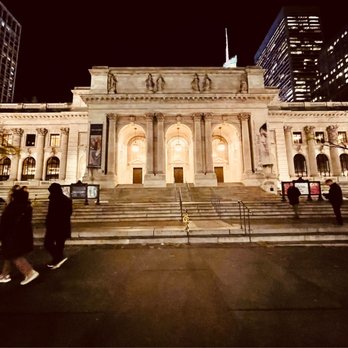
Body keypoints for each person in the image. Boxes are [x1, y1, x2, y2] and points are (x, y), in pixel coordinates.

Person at [0, 187, 39, 285]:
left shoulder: (13, 207)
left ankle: (29, 272)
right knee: (10, 254)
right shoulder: (26, 206)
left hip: (12, 235)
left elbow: (5, 223)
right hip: (21, 235)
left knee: (14, 255)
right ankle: (5, 274)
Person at [44, 183, 73, 269]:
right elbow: (69, 213)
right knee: (60, 245)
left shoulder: (54, 199)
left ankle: (58, 258)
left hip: (54, 226)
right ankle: (57, 259)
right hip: (63, 226)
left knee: (48, 243)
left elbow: (51, 214)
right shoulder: (67, 200)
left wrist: (48, 222)